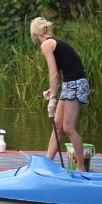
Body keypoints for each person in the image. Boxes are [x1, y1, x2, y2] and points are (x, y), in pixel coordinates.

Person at [30, 17, 90, 171]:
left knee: (68, 128)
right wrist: (52, 90)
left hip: (76, 84)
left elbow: (54, 74)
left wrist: (53, 99)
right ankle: (47, 163)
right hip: (70, 83)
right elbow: (60, 73)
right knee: (57, 126)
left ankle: (81, 168)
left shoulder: (46, 44)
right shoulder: (53, 41)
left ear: (35, 35)